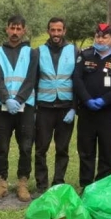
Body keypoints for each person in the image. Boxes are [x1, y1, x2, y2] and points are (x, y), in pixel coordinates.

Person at [72, 23, 111, 190]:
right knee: (86, 150)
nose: (101, 39)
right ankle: (86, 185)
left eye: (104, 36)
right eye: (98, 36)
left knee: (106, 150)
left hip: (108, 113)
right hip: (87, 112)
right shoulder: (85, 55)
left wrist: (104, 100)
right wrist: (87, 100)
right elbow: (77, 79)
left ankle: (103, 185)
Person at [0, 15, 39, 202]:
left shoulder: (32, 53)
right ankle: (1, 183)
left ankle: (22, 183)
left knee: (26, 146)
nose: (15, 32)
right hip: (3, 108)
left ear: (24, 30)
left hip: (25, 107)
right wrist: (6, 99)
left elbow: (31, 79)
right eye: (12, 28)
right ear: (7, 29)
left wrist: (18, 99)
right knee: (2, 146)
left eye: (19, 29)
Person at [34, 17, 77, 195]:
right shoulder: (38, 51)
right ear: (48, 31)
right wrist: (34, 107)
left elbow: (78, 80)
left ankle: (58, 182)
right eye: (53, 30)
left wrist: (74, 107)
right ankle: (41, 185)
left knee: (62, 148)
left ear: (64, 31)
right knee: (41, 148)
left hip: (66, 107)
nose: (56, 34)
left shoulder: (73, 50)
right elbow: (34, 80)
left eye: (59, 30)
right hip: (44, 107)